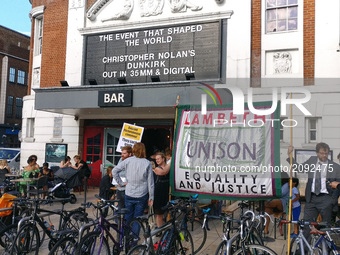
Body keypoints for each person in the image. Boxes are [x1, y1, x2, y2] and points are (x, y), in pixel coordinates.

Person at [287, 142, 340, 240]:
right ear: (317, 153)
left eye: (326, 153)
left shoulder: (335, 167)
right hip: (311, 198)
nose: (324, 156)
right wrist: (290, 155)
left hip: (326, 198)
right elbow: (299, 168)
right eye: (322, 153)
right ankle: (305, 250)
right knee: (307, 224)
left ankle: (326, 249)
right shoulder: (312, 161)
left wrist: (332, 200)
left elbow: (338, 184)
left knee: (325, 226)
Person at [112, 142, 155, 234]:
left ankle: (125, 237)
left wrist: (121, 183)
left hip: (129, 192)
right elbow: (150, 182)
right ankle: (134, 238)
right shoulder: (147, 163)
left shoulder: (128, 161)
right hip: (141, 194)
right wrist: (151, 197)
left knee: (128, 216)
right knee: (137, 218)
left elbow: (114, 170)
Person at [153, 152, 170, 228]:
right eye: (156, 159)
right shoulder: (157, 168)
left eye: (158, 159)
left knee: (167, 212)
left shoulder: (168, 166)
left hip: (167, 192)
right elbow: (164, 172)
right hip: (159, 193)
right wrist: (171, 161)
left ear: (163, 159)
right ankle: (160, 230)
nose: (157, 160)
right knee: (159, 213)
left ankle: (165, 228)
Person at [113, 145, 132, 210]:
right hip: (119, 188)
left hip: (127, 189)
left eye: (124, 153)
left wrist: (125, 183)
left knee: (128, 208)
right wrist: (118, 182)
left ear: (129, 154)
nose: (122, 155)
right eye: (122, 153)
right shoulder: (121, 160)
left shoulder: (132, 161)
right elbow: (117, 172)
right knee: (120, 208)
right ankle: (120, 220)